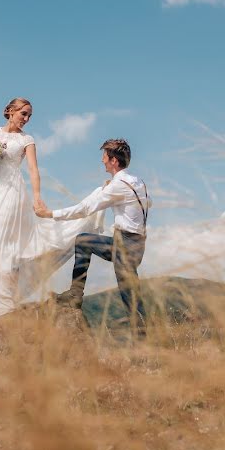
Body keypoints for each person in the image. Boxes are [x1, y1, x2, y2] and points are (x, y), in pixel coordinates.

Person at [0, 99, 104, 319]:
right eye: (23, 114)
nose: (26, 119)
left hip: (13, 191)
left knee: (9, 242)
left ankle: (4, 298)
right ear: (9, 111)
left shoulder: (27, 140)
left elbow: (34, 170)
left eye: (29, 116)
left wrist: (37, 197)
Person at [34, 139, 150, 331]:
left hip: (125, 244)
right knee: (129, 292)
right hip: (135, 243)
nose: (102, 161)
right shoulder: (136, 181)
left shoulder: (118, 185)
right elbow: (148, 203)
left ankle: (76, 295)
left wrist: (50, 214)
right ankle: (76, 294)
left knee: (129, 294)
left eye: (104, 157)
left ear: (113, 161)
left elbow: (85, 209)